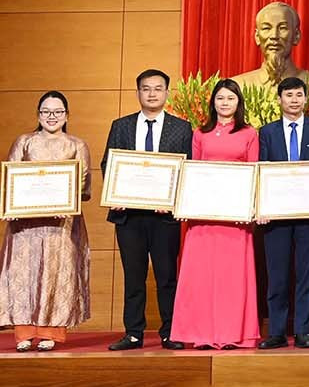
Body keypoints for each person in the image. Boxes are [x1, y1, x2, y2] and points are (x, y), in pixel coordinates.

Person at [102, 68, 193, 350]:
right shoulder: (121, 125)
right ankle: (133, 333)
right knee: (134, 277)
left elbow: (188, 168)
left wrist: (173, 199)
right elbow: (108, 163)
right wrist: (114, 193)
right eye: (146, 88)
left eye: (157, 88)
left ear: (167, 92)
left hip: (164, 217)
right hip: (129, 216)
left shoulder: (182, 128)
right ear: (138, 92)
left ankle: (170, 332)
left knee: (167, 277)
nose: (152, 94)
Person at [173, 78, 261, 349]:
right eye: (220, 98)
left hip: (235, 219)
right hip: (204, 217)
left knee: (231, 279)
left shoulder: (249, 133)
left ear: (239, 102)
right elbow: (193, 172)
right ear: (213, 102)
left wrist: (251, 208)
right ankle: (200, 334)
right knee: (201, 277)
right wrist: (185, 204)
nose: (225, 103)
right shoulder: (200, 133)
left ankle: (234, 333)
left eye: (231, 98)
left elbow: (254, 173)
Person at [0, 92, 92, 351]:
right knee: (23, 274)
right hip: (25, 224)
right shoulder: (25, 142)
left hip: (60, 224)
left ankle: (50, 332)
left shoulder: (76, 145)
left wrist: (67, 202)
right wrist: (11, 205)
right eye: (46, 111)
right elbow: (11, 178)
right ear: (38, 115)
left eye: (58, 111)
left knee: (55, 274)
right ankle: (24, 334)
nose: (52, 116)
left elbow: (83, 185)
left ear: (67, 115)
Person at [256, 75, 309, 349]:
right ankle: (277, 332)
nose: (294, 100)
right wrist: (262, 206)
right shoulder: (267, 132)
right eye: (288, 95)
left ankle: (303, 331)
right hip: (275, 216)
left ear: (306, 98)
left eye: (298, 95)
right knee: (277, 275)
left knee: (306, 274)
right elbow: (261, 171)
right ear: (279, 99)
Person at [230, 1, 309, 93]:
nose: (274, 36)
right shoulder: (236, 87)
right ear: (257, 37)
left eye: (282, 28)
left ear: (296, 36)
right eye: (266, 28)